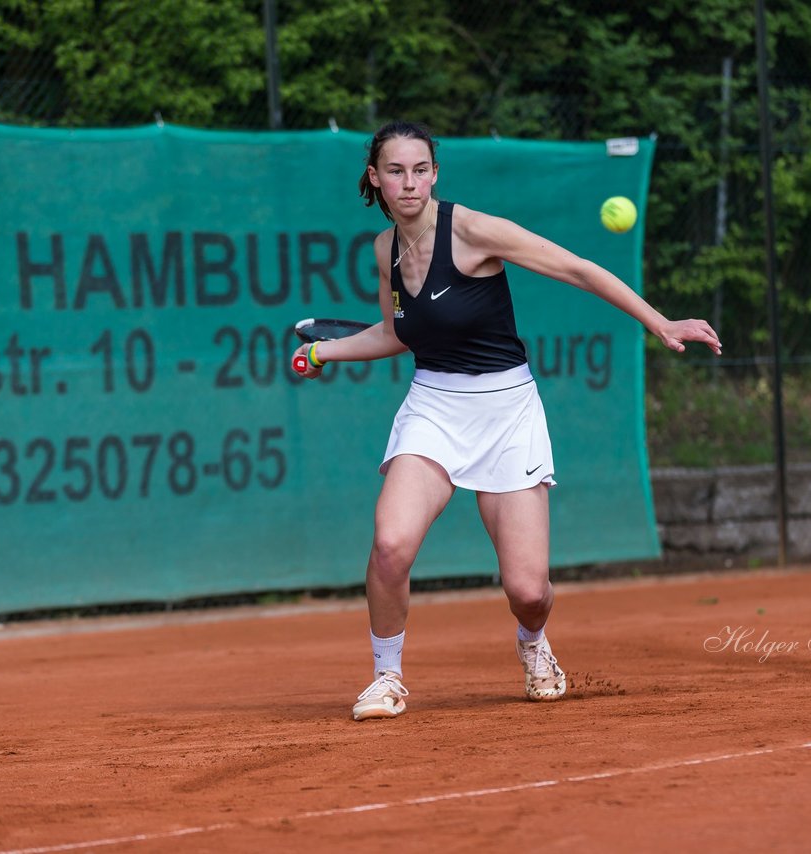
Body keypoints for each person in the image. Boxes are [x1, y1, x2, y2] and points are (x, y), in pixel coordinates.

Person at [294, 120, 721, 722]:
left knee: (527, 590)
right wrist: (324, 352)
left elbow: (576, 268)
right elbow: (398, 332)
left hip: (507, 409)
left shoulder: (473, 230)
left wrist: (660, 322)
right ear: (376, 180)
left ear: (435, 173)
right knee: (390, 545)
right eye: (396, 171)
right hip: (433, 407)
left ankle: (533, 643)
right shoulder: (384, 250)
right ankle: (386, 677)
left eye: (420, 169)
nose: (409, 182)